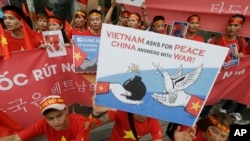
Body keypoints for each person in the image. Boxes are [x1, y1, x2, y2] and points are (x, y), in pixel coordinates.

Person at [207, 14, 247, 120]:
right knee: (210, 100)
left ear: (240, 28)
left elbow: (242, 56)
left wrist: (241, 55)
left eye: (235, 25)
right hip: (215, 76)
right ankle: (202, 116)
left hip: (229, 76)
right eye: (230, 25)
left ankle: (222, 111)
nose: (232, 28)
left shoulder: (241, 41)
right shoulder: (215, 40)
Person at [0, 95, 92, 141]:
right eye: (50, 118)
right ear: (44, 117)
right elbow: (16, 138)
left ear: (66, 110)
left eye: (59, 115)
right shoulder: (43, 123)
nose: (56, 122)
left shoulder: (81, 123)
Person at [91, 97, 163, 141]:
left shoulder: (153, 122)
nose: (142, 115)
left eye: (145, 111)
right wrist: (96, 113)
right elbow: (91, 126)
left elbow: (158, 139)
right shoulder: (121, 110)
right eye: (139, 110)